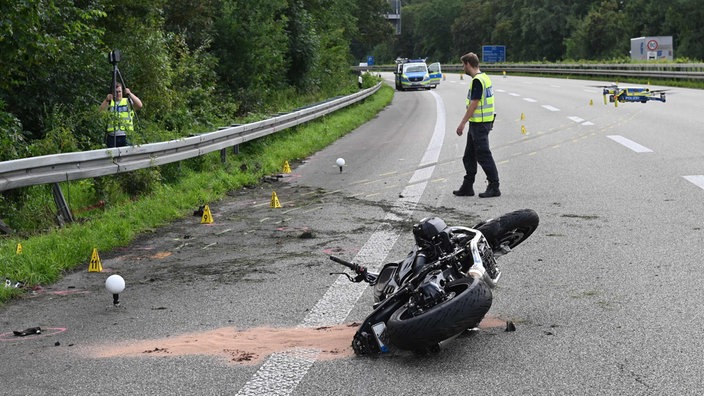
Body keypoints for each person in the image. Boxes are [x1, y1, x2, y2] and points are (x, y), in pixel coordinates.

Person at [453, 52, 500, 198]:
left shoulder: (478, 81)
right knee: (469, 156)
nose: (463, 68)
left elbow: (474, 103)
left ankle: (494, 186)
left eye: (463, 65)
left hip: (480, 124)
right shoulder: (484, 77)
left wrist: (462, 123)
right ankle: (467, 186)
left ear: (468, 64)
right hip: (478, 123)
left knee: (483, 155)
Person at [99, 82, 142, 147]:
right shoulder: (110, 102)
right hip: (112, 136)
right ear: (113, 93)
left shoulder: (128, 101)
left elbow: (140, 105)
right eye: (116, 92)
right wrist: (106, 100)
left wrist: (130, 94)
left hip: (127, 135)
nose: (118, 93)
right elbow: (100, 112)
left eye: (119, 91)